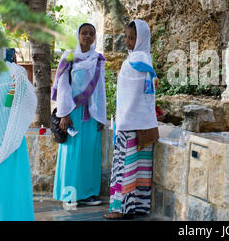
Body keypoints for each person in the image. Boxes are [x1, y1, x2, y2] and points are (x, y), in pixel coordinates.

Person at [104, 19, 158, 220]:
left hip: (129, 123)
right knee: (139, 167)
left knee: (124, 167)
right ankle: (137, 206)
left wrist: (122, 122)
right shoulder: (145, 59)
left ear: (141, 38)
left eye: (132, 38)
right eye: (126, 37)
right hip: (144, 123)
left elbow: (132, 95)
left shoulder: (135, 61)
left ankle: (120, 208)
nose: (127, 41)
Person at [52, 23, 106, 206]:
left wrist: (101, 116)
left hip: (92, 113)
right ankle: (69, 195)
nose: (88, 36)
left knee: (89, 153)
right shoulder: (69, 57)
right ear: (78, 35)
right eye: (84, 33)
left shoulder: (97, 59)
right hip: (72, 111)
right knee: (72, 153)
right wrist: (64, 114)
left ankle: (88, 194)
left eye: (91, 33)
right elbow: (63, 85)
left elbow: (100, 89)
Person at [0, 61, 37, 220]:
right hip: (12, 141)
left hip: (11, 141)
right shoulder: (15, 72)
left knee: (11, 190)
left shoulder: (15, 72)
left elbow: (26, 104)